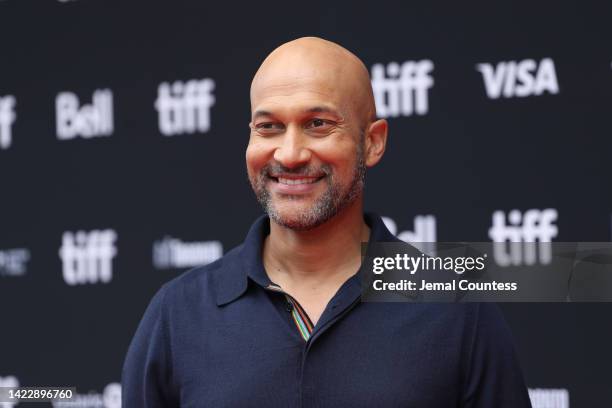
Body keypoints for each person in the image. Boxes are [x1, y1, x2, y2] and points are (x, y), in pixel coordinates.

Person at [122, 37, 532, 407]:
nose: (290, 153)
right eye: (269, 127)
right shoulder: (177, 315)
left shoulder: (456, 309)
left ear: (373, 142)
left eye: (318, 124)